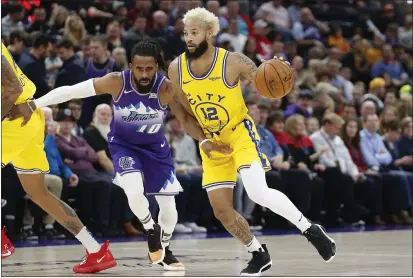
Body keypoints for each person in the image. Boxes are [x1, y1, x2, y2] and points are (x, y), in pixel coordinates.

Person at [8, 40, 230, 270]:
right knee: (133, 190)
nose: (144, 74)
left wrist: (204, 140)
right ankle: (150, 228)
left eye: (149, 69)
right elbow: (72, 91)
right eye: (139, 68)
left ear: (157, 67)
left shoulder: (167, 88)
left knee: (170, 210)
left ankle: (163, 247)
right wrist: (35, 104)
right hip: (124, 146)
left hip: (155, 149)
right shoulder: (117, 81)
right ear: (131, 66)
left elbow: (187, 120)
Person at [167, 7, 336, 275]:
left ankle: (309, 229)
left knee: (257, 191)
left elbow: (262, 82)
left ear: (209, 33)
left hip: (239, 132)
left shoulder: (233, 61)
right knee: (222, 211)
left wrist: (276, 69)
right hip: (210, 141)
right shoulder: (176, 68)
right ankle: (258, 253)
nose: (188, 38)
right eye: (186, 32)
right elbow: (181, 112)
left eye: (194, 32)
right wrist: (203, 141)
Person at [1, 43, 116, 272]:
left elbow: (11, 88)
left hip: (14, 118)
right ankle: (95, 251)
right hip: (28, 118)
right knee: (40, 193)